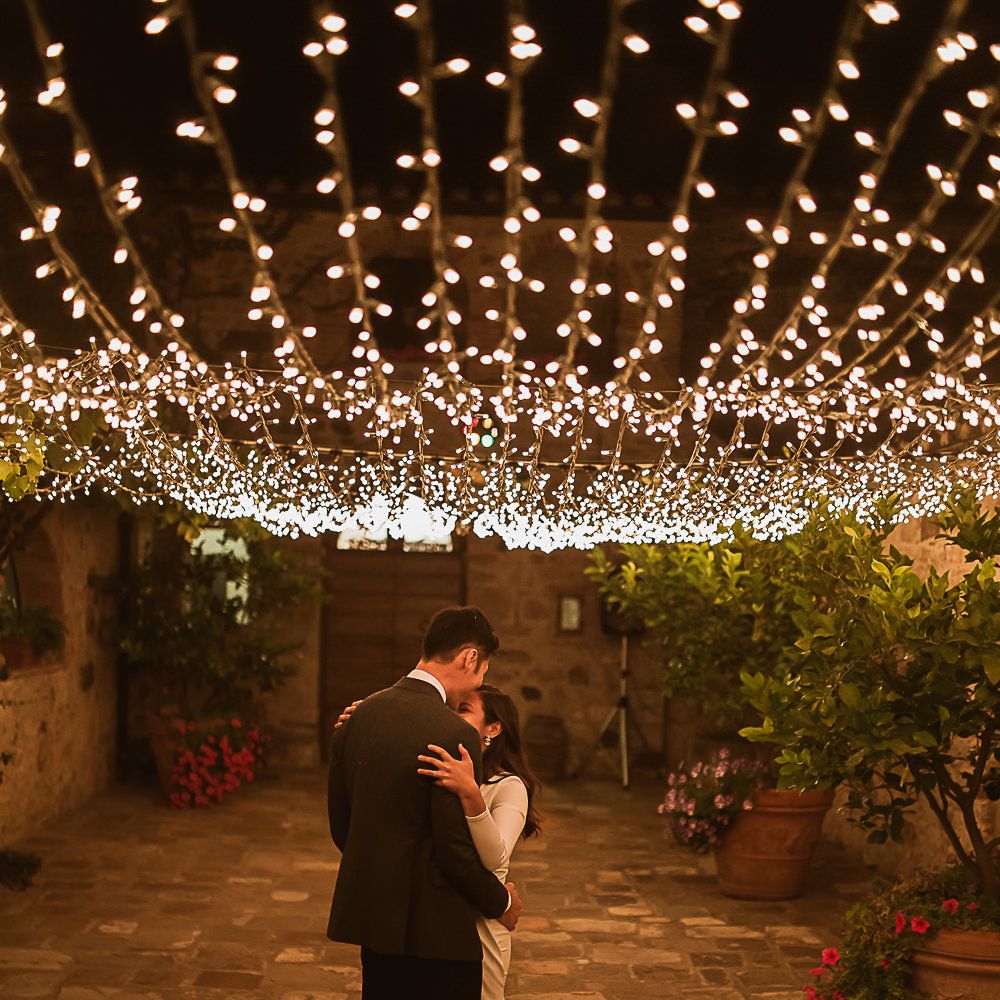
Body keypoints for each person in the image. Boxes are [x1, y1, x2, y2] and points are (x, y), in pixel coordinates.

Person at [326, 606, 523, 1000]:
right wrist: (501, 902)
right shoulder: (453, 733)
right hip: (439, 934)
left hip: (377, 926)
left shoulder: (357, 717)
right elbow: (453, 851)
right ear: (470, 658)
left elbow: (343, 828)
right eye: (483, 671)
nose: (478, 682)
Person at [415, 683, 541, 1000]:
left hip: (483, 924)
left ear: (493, 729)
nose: (453, 715)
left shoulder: (509, 786)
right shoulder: (442, 769)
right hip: (439, 918)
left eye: (464, 709)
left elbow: (496, 857)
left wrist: (470, 793)